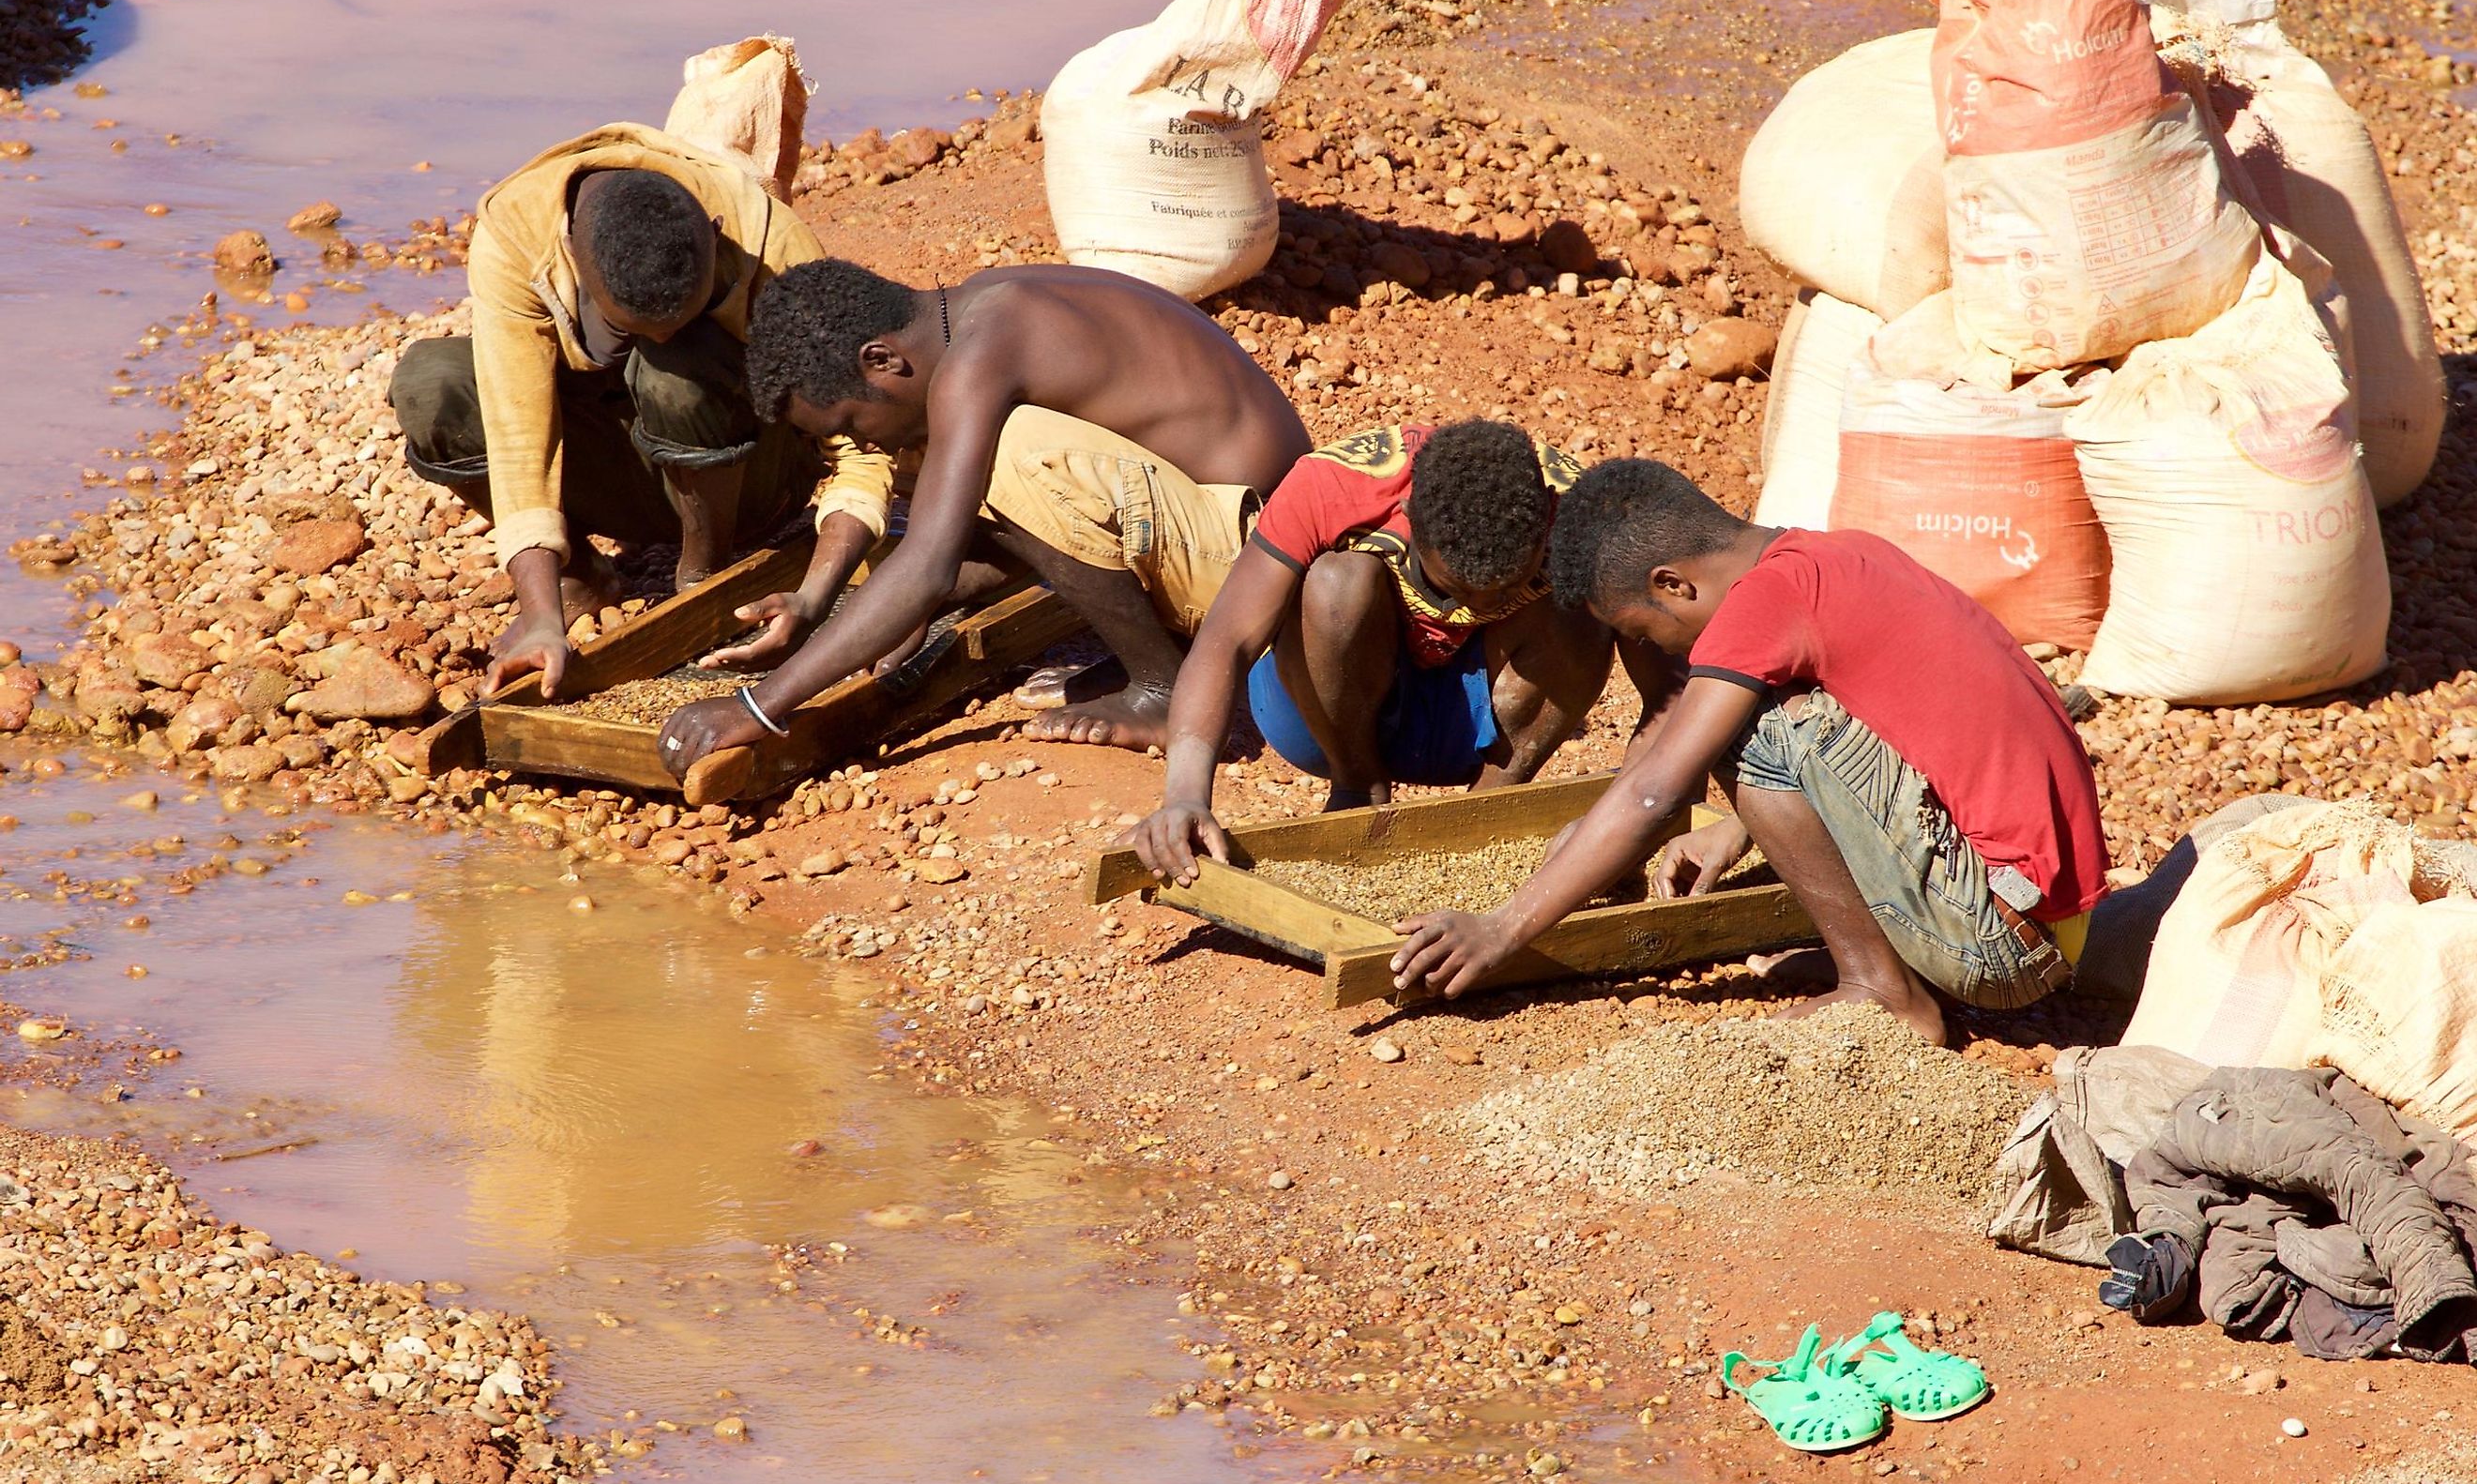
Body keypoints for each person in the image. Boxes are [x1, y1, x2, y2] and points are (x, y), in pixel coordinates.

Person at [1385, 459, 2108, 1046]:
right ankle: (1890, 957)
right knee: (1770, 717)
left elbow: (1654, 793)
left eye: (1641, 629)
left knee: (1746, 722)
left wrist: (1501, 929)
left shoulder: (1760, 608)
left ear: (1672, 583)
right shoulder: (1838, 554)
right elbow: (1893, 735)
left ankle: (1881, 991)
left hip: (2001, 947)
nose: (1652, 649)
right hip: (2050, 924)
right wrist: (1741, 829)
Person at [652, 258, 1313, 775]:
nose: (868, 447)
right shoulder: (979, 306)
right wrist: (896, 615)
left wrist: (760, 707)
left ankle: (1164, 690)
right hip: (1241, 528)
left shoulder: (976, 362)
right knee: (955, 465)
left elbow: (932, 563)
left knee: (1010, 459)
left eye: (853, 425)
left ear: (881, 360)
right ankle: (1161, 651)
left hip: (1258, 562)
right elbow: (999, 541)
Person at [388, 124, 894, 701]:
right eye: (624, 330)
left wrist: (817, 592)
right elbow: (519, 436)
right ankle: (582, 576)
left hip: (749, 477)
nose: (642, 340)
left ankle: (701, 575)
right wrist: (542, 614)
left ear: (717, 236)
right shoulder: (517, 233)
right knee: (432, 383)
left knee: (681, 364)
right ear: (572, 257)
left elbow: (863, 448)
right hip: (619, 472)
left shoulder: (768, 237)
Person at [1127, 419, 1678, 876]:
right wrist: (1184, 795)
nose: (1473, 608)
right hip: (1324, 713)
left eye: (1510, 588)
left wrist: (1629, 817)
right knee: (1336, 581)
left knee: (1579, 611)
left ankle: (1486, 811)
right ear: (1413, 520)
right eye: (1451, 589)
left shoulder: (1584, 518)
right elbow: (1226, 640)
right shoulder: (1335, 485)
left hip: (1475, 721)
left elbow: (1669, 694)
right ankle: (1358, 788)